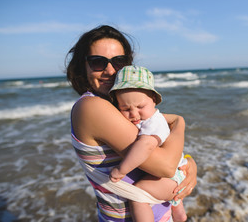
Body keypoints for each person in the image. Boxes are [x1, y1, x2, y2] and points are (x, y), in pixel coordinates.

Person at [66, 25, 197, 222]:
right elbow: (166, 167)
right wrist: (180, 123)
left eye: (119, 61)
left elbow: (161, 135)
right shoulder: (92, 108)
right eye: (97, 62)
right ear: (82, 67)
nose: (110, 71)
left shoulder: (121, 109)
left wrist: (188, 162)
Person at [109, 65, 188, 221]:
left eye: (140, 106)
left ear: (153, 100)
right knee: (176, 207)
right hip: (174, 172)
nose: (133, 113)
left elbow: (146, 146)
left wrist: (121, 170)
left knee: (138, 195)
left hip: (172, 177)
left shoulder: (154, 122)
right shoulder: (144, 119)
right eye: (125, 108)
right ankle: (179, 213)